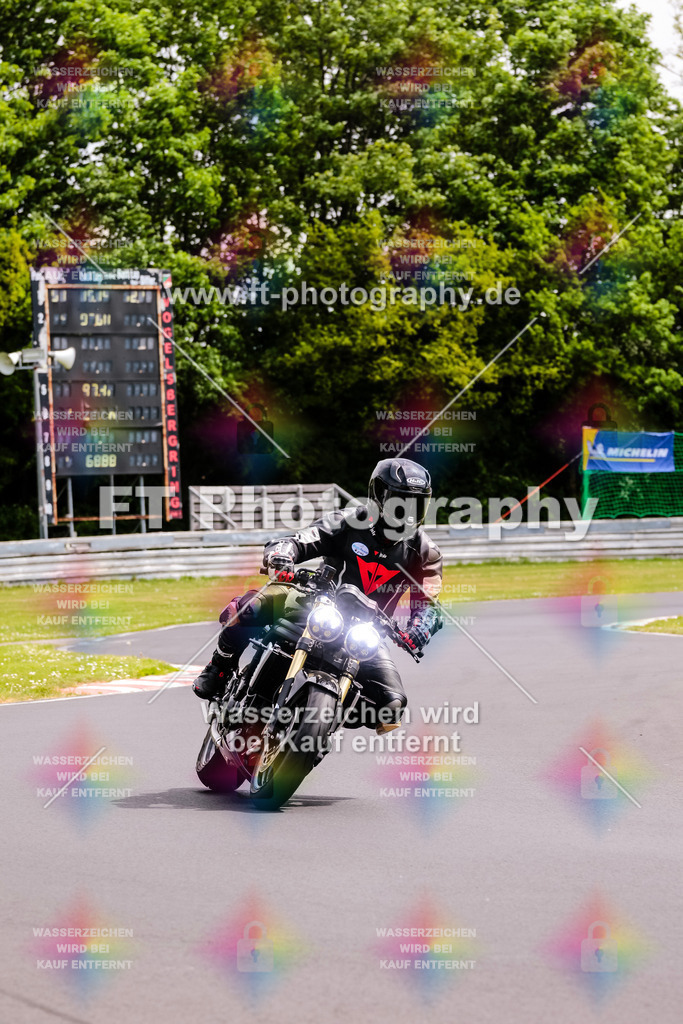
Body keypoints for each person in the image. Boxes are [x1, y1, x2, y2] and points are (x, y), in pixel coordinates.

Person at [192, 458, 443, 732]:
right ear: (379, 496)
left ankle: (322, 721)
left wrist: (421, 628)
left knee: (391, 706)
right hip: (315, 604)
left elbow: (429, 604)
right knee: (251, 607)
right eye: (400, 503)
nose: (407, 513)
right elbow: (300, 540)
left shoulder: (426, 552)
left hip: (366, 631)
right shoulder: (348, 521)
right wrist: (282, 555)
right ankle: (219, 667)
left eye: (416, 505)